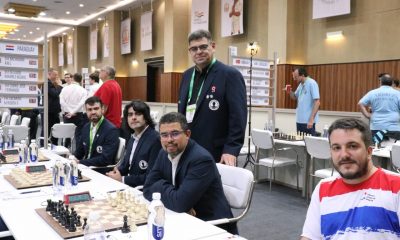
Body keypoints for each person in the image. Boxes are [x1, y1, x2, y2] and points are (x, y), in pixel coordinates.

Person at [301, 118, 400, 240]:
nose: (344, 155)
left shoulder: (396, 186)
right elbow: (309, 237)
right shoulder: (323, 188)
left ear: (369, 152)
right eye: (336, 148)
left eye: (352, 146)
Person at [143, 112, 237, 234]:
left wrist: (161, 186)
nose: (169, 140)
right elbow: (147, 188)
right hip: (182, 218)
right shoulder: (163, 153)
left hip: (210, 224)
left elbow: (179, 203)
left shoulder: (201, 160)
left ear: (187, 134)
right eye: (164, 135)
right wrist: (179, 198)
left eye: (175, 134)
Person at [177, 29, 247, 166]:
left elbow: (238, 116)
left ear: (213, 46)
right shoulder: (186, 76)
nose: (199, 51)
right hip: (188, 148)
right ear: (189, 51)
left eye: (203, 47)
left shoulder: (229, 75)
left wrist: (231, 149)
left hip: (217, 152)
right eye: (194, 49)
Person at [106, 100, 161, 187]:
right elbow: (126, 166)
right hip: (129, 185)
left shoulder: (155, 140)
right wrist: (117, 172)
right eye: (130, 115)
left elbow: (151, 176)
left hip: (143, 189)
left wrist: (122, 179)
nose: (133, 117)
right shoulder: (132, 138)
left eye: (138, 114)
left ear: (146, 117)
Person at [73, 96, 119, 167]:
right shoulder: (86, 127)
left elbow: (105, 159)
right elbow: (79, 152)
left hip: (100, 170)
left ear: (102, 109)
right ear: (86, 111)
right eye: (90, 109)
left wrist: (80, 162)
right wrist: (73, 159)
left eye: (96, 108)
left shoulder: (111, 130)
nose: (93, 112)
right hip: (85, 167)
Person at [358, 74, 400, 140]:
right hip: (394, 127)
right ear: (392, 83)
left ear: (380, 82)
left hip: (376, 126)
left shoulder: (372, 93)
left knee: (377, 148)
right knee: (393, 149)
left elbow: (360, 103)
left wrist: (367, 115)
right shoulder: (397, 93)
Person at [288, 67, 320, 136]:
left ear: (302, 75)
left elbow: (317, 102)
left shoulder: (312, 83)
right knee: (300, 143)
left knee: (309, 144)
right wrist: (289, 91)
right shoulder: (301, 85)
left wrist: (311, 120)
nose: (294, 79)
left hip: (308, 121)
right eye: (293, 76)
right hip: (299, 120)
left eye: (296, 77)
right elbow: (294, 97)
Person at [59, 73, 88, 148]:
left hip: (67, 114)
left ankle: (64, 150)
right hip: (78, 114)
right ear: (81, 80)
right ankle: (78, 154)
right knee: (79, 135)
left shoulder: (65, 88)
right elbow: (82, 103)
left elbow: (62, 102)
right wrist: (73, 112)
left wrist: (70, 111)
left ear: (72, 78)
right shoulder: (83, 90)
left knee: (67, 134)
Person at [47, 68, 63, 145]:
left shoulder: (52, 83)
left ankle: (54, 144)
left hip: (54, 111)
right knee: (49, 130)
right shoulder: (47, 83)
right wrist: (59, 86)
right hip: (50, 111)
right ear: (49, 74)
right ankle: (47, 145)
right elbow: (55, 94)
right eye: (55, 74)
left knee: (55, 129)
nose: (57, 76)